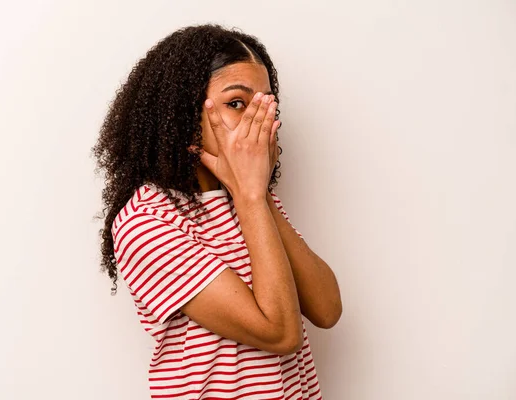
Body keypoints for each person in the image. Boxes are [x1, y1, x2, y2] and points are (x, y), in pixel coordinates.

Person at [93, 24, 342, 400]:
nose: (258, 122)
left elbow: (326, 310)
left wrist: (252, 194)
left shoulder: (247, 197)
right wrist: (251, 197)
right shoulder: (145, 221)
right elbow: (279, 333)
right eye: (238, 103)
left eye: (266, 105)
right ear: (184, 114)